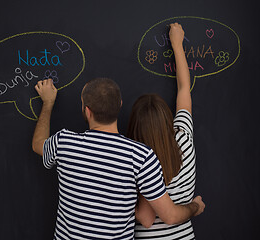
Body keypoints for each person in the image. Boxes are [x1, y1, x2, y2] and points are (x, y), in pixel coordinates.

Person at [32, 77, 205, 238]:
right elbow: (170, 215)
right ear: (120, 105)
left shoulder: (64, 143)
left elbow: (38, 143)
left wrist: (47, 103)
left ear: (87, 111)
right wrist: (195, 206)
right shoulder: (142, 156)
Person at [127, 23, 199, 239]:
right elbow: (184, 88)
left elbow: (146, 219)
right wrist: (177, 45)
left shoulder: (139, 160)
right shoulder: (184, 138)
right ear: (167, 118)